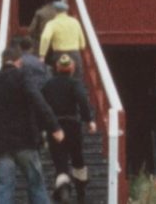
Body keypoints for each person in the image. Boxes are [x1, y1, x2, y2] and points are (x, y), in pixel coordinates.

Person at [0, 47, 64, 204]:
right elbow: (38, 101)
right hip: (26, 142)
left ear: (3, 61)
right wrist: (54, 126)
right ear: (19, 61)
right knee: (36, 184)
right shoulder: (23, 76)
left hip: (1, 145)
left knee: (3, 188)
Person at [42, 55, 97, 204]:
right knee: (77, 159)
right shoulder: (75, 83)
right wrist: (89, 119)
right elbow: (82, 100)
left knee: (60, 162)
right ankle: (80, 194)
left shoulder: (48, 85)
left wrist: (43, 127)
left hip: (55, 127)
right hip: (73, 125)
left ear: (57, 68)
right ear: (72, 68)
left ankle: (64, 192)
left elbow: (42, 107)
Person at [39, 1, 86, 82]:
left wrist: (42, 55)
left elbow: (45, 38)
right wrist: (81, 46)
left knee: (59, 80)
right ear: (66, 11)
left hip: (59, 54)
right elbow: (82, 44)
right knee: (77, 80)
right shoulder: (75, 22)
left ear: (55, 11)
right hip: (75, 54)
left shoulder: (52, 23)